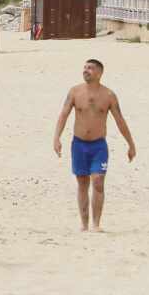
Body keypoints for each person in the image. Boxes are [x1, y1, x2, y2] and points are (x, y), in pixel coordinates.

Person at [51, 59, 137, 232]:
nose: (86, 70)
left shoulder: (109, 95)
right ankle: (84, 224)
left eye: (90, 68)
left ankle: (96, 224)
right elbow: (64, 114)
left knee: (98, 182)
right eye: (84, 67)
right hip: (78, 145)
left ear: (99, 73)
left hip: (98, 146)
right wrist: (56, 138)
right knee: (82, 183)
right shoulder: (75, 92)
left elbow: (120, 120)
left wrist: (131, 144)